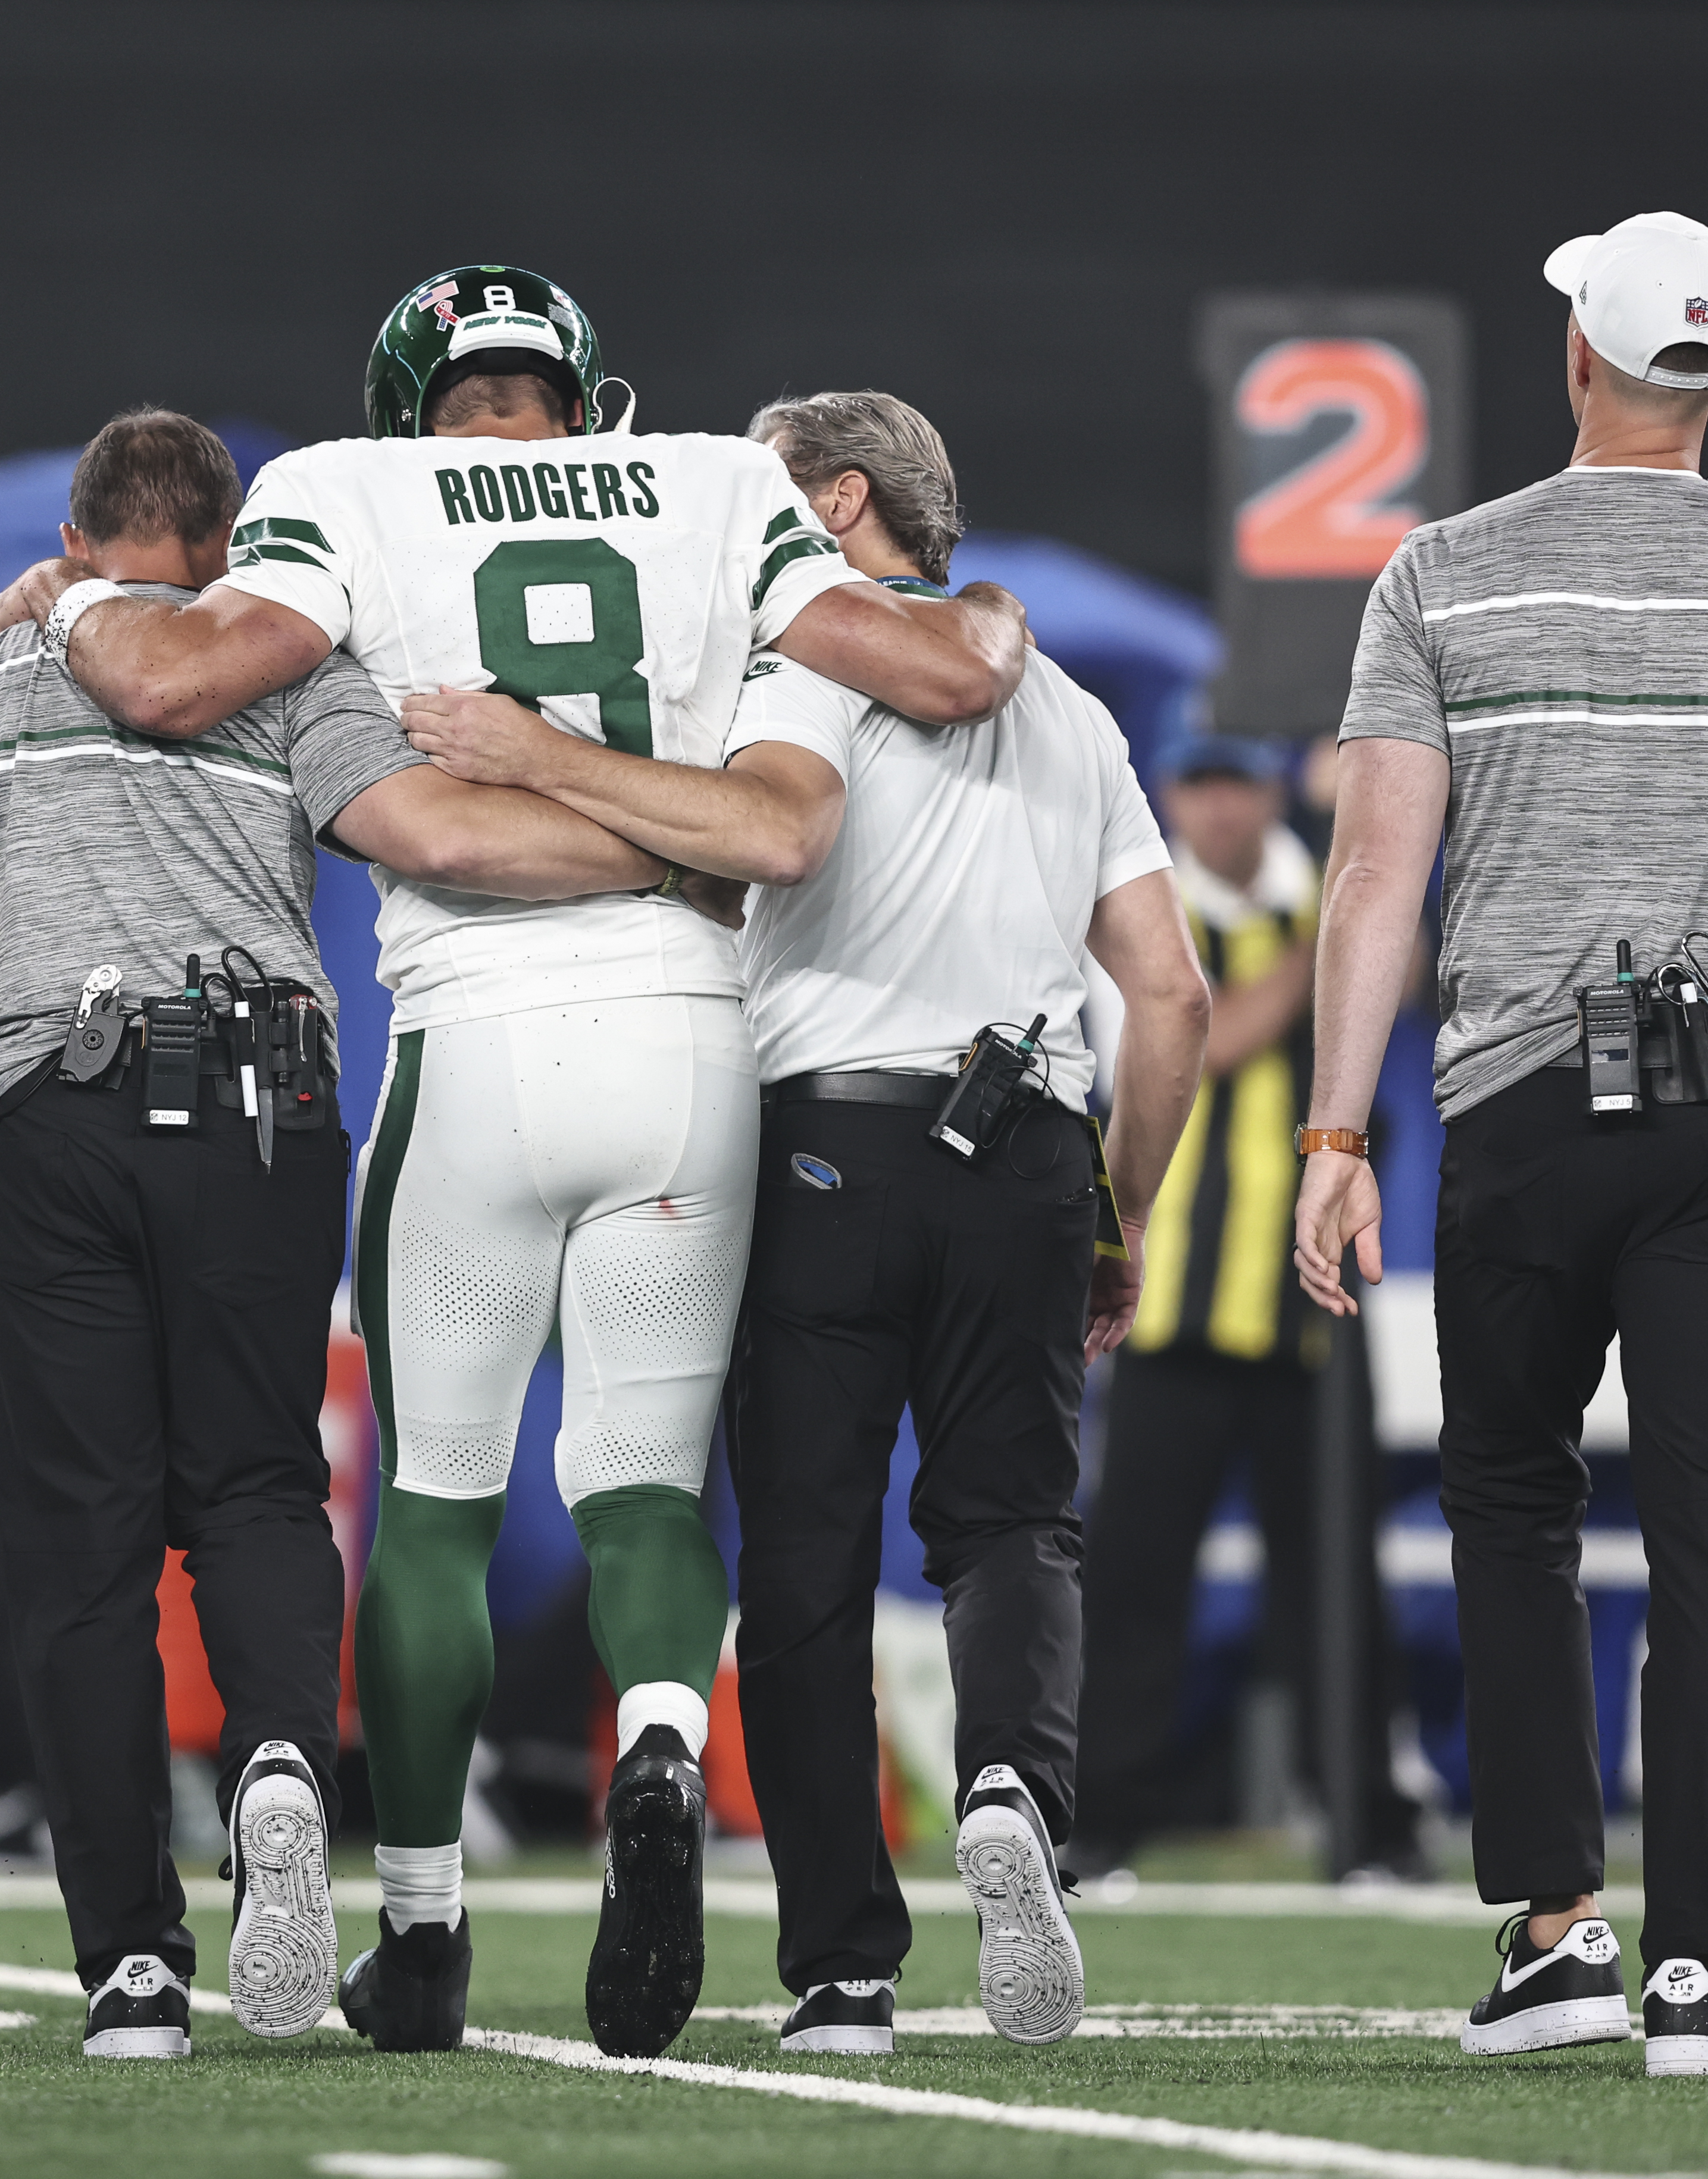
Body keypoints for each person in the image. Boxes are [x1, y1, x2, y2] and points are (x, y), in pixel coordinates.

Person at [0, 267, 1024, 2059]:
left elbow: (168, 680)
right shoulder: (715, 484)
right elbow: (934, 680)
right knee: (639, 1484)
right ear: (581, 389)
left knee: (435, 1508)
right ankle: (652, 1738)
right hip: (689, 1041)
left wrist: (74, 595)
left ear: (416, 401)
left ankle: (427, 1926)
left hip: (469, 1027)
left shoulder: (344, 487)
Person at [404, 387, 1200, 2055]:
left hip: (823, 1141)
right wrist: (1114, 1199)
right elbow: (1170, 996)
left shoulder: (795, 663)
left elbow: (741, 839)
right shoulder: (1065, 707)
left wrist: (534, 759)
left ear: (836, 503)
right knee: (1010, 1524)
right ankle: (1009, 1789)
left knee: (807, 1566)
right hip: (1032, 1141)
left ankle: (841, 1963)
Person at [0, 405, 690, 2061]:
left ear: (73, 526)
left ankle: (129, 1963)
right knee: (255, 1484)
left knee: (79, 1549)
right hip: (256, 1101)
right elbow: (445, 839)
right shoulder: (292, 669)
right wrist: (677, 852)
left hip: (42, 1109)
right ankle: (275, 1753)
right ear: (229, 545)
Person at [1293, 211, 1708, 2079]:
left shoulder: (1440, 572)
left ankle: (1556, 1933)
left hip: (1516, 1099)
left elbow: (1371, 879)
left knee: (1509, 1504)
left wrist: (1336, 1125)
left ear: (1573, 359)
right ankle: (1698, 1975)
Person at [1074, 733, 1428, 1884]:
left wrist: (1352, 895)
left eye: (1238, 781)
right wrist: (1341, 942)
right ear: (1171, 793)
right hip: (1166, 1304)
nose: (1219, 807)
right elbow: (1206, 1036)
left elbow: (1412, 965)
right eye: (1199, 782)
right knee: (1134, 1577)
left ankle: (1363, 1825)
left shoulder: (1326, 896)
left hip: (1312, 1304)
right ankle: (1102, 1825)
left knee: (1334, 1580)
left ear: (1271, 789)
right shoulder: (1141, 906)